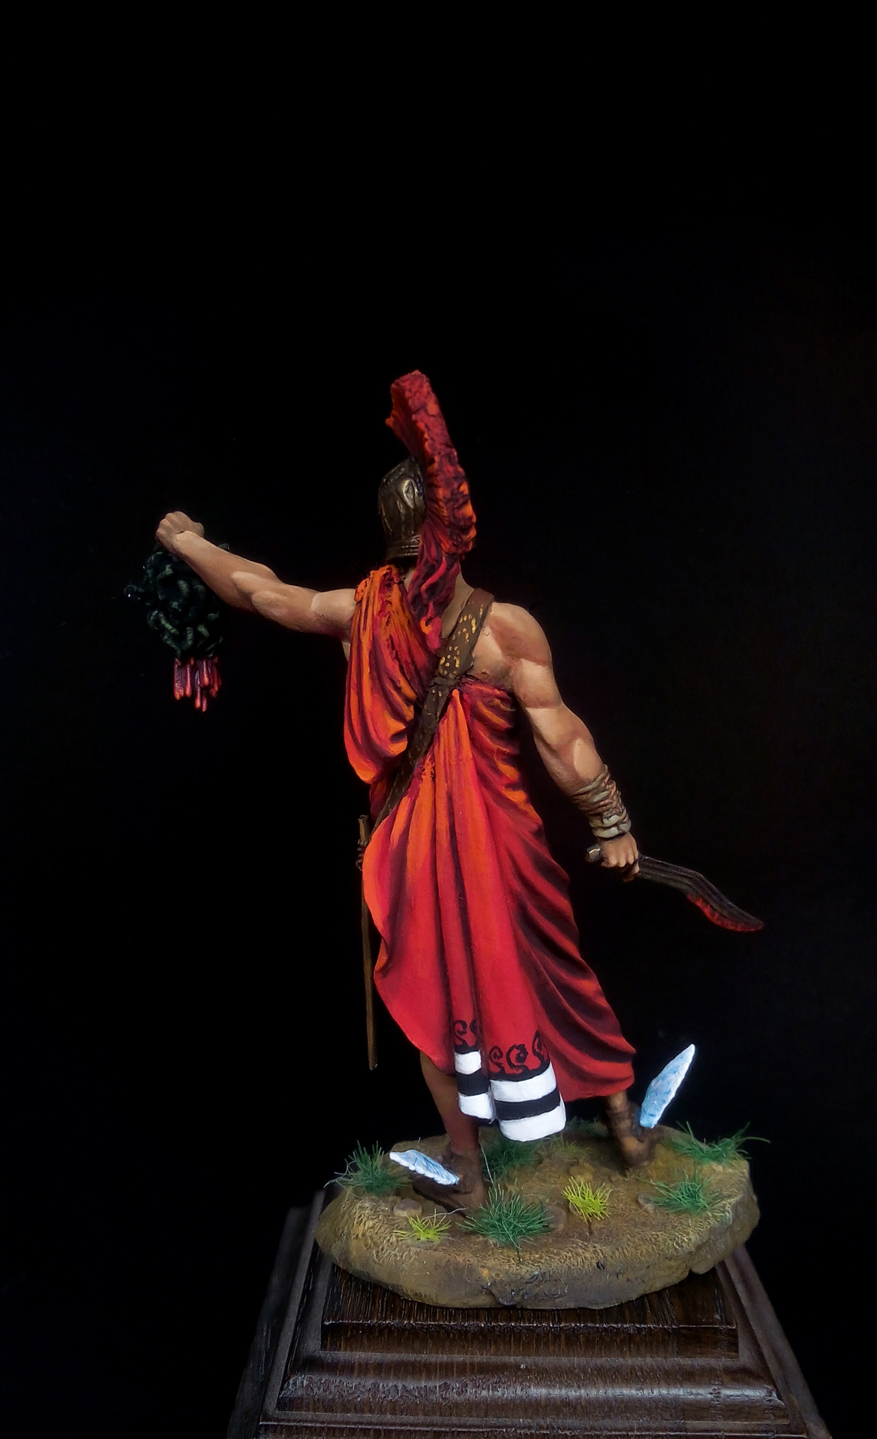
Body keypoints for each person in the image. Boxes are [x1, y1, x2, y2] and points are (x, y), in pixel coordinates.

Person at [155, 371, 656, 1211]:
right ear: (452, 528)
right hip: (489, 846)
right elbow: (562, 738)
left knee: (443, 992)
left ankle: (480, 1164)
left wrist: (190, 544)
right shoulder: (505, 628)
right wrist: (611, 821)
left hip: (424, 847)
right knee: (547, 973)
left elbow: (261, 591)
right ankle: (617, 1122)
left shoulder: (362, 612)